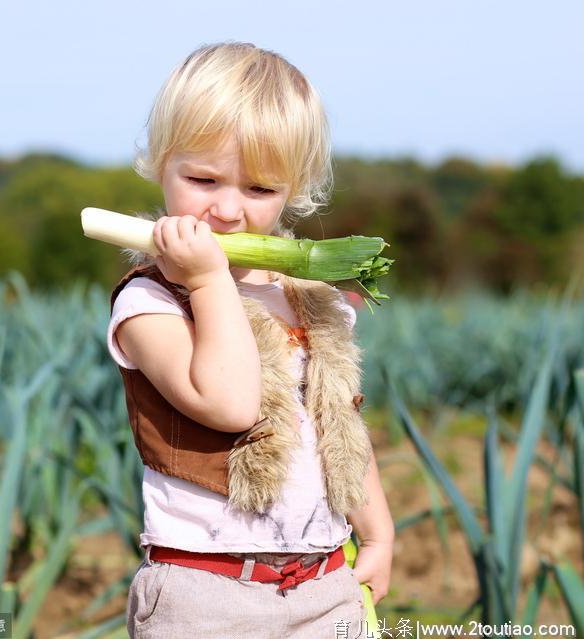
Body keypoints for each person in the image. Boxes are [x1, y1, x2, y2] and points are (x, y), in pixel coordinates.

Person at [107, 41, 395, 639]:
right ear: (160, 164)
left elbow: (336, 422)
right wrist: (210, 279)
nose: (228, 210)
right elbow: (231, 403)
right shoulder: (152, 304)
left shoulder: (313, 300)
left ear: (296, 189)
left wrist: (379, 532)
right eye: (203, 179)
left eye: (261, 189)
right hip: (205, 595)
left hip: (323, 584)